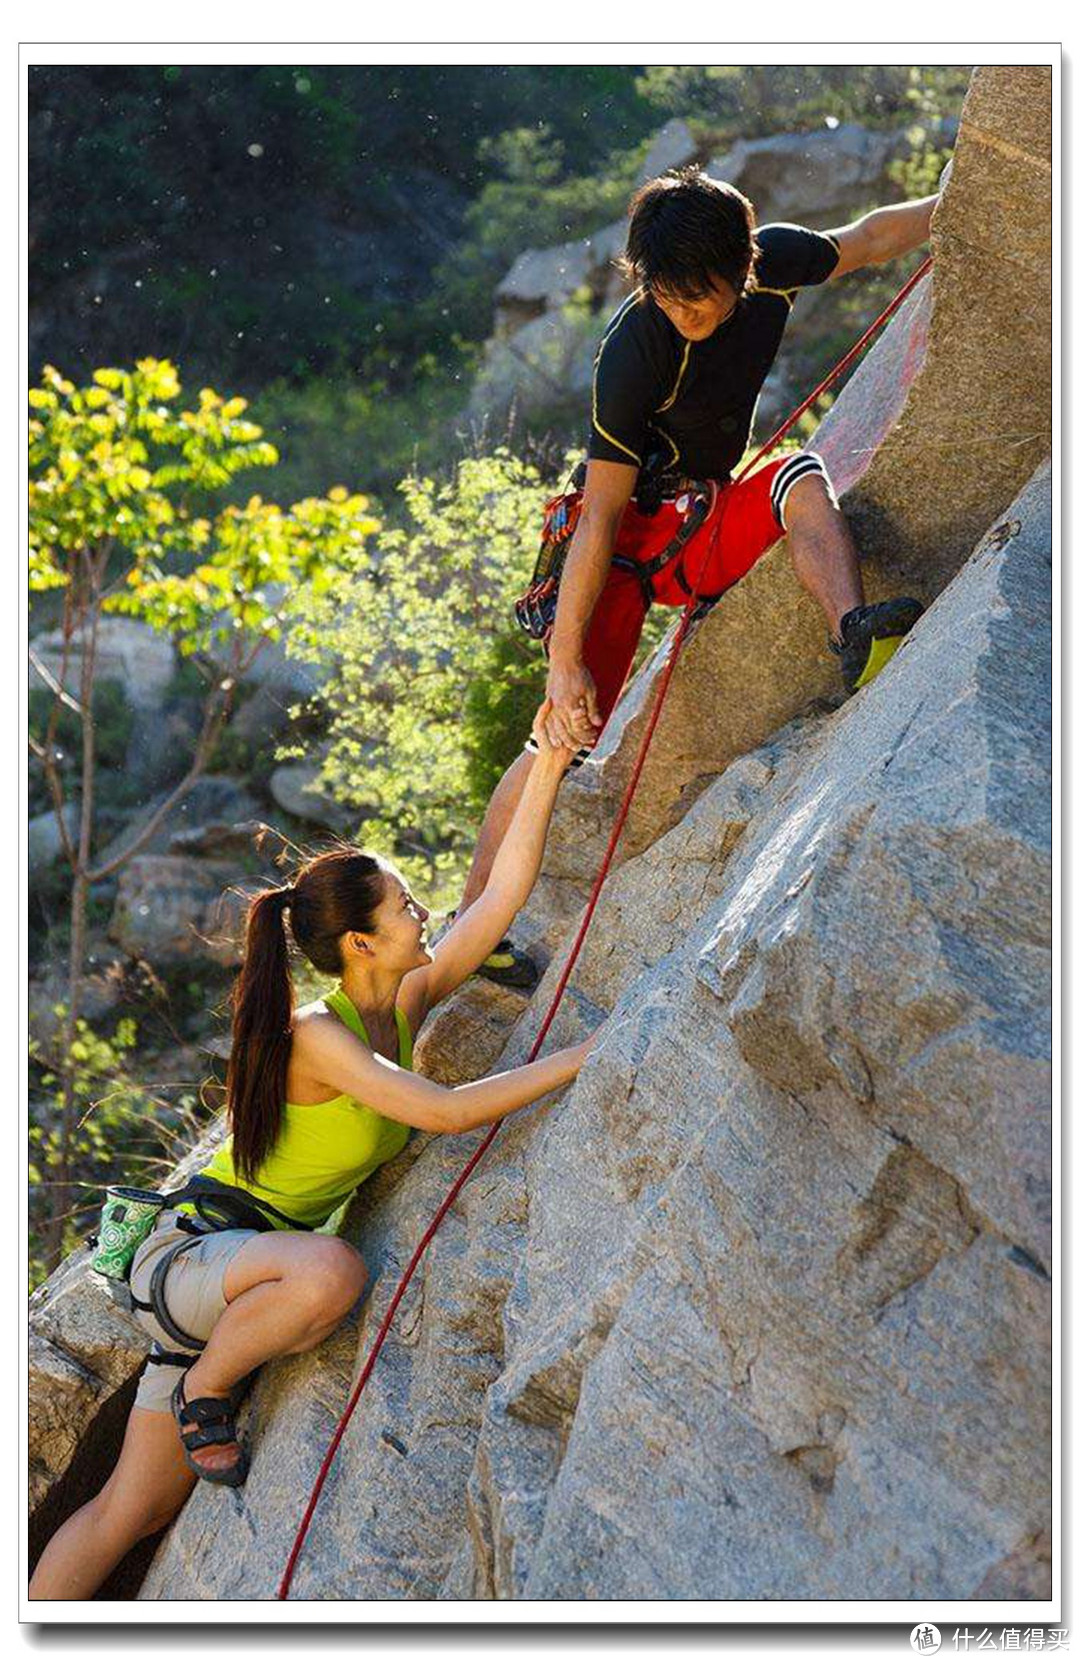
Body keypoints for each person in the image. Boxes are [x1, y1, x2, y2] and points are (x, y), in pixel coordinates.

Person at [29, 706, 590, 1601]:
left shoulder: (404, 997)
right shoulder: (318, 1036)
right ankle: (204, 1394)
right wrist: (583, 1059)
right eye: (406, 904)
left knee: (127, 1516)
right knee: (331, 1275)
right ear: (361, 941)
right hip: (194, 1259)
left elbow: (500, 899)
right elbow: (443, 1114)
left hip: (242, 1278)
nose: (424, 910)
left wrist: (551, 762)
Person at [458, 164, 938, 990]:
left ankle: (855, 638)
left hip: (700, 520)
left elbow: (869, 238)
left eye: (701, 297)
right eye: (669, 297)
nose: (686, 313)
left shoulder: (773, 265)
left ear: (744, 263)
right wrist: (566, 660)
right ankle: (474, 930)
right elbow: (601, 516)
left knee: (798, 475)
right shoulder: (634, 350)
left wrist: (956, 197)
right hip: (619, 547)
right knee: (558, 739)